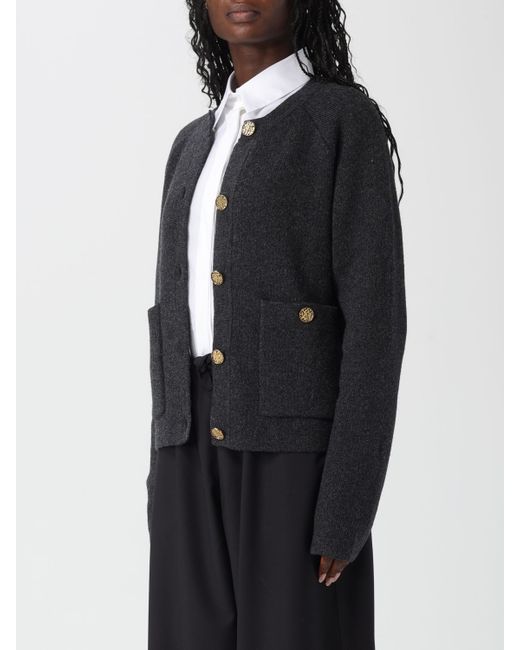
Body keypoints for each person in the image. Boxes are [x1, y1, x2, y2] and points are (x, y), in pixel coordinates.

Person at [146, 1, 407, 648]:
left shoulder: (340, 123)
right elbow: (172, 314)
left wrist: (347, 505)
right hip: (186, 450)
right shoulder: (192, 143)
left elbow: (376, 326)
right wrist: (162, 474)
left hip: (295, 459)